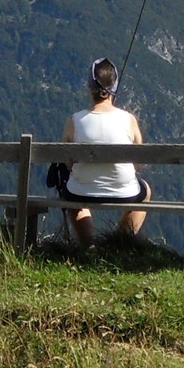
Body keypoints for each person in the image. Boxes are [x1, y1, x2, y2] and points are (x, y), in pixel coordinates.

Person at [59, 56, 152, 246]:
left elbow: (67, 164)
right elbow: (138, 165)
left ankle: (88, 246)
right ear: (114, 87)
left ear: (89, 86)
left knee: (72, 195)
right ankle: (119, 243)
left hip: (81, 190)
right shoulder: (129, 120)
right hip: (125, 191)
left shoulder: (74, 121)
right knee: (146, 191)